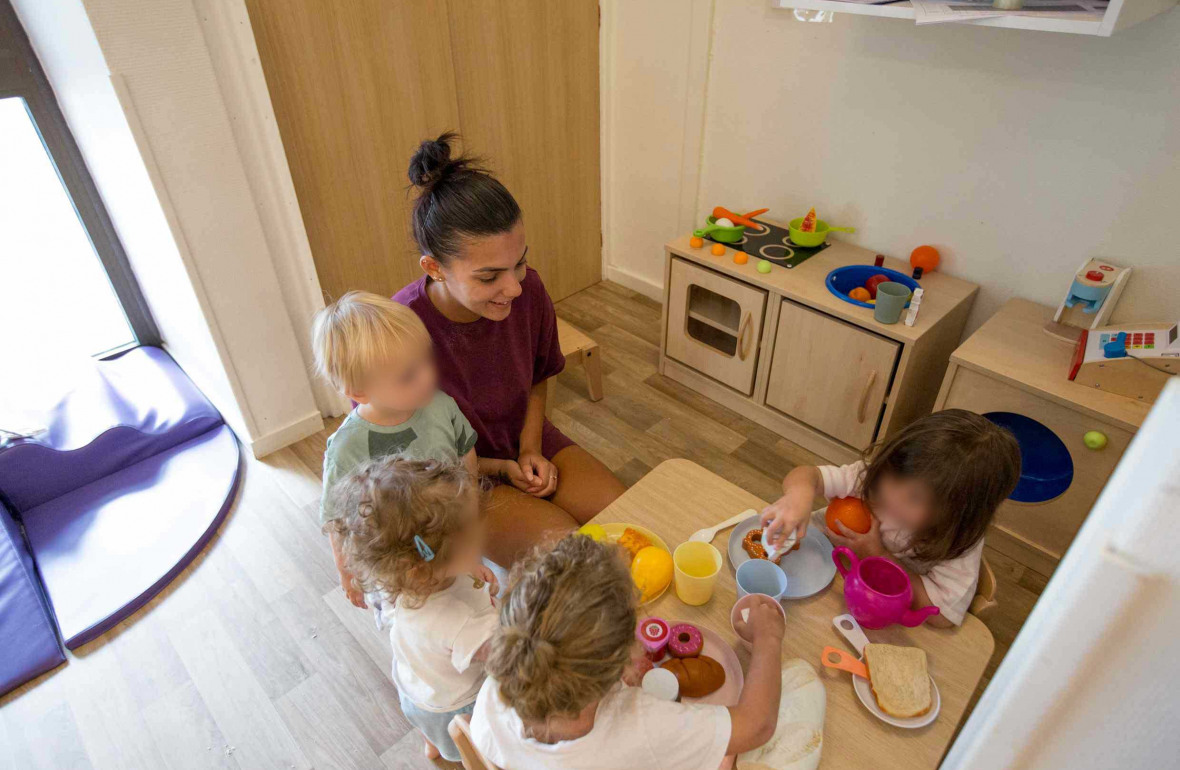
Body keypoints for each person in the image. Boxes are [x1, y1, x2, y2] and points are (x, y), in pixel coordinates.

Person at [393, 132, 625, 565]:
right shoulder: (397, 330)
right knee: (573, 559)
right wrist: (498, 469)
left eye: (519, 262)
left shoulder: (527, 289)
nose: (514, 287)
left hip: (523, 439)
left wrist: (530, 447)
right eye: (489, 277)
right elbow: (403, 457)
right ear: (434, 268)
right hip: (459, 478)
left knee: (631, 524)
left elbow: (539, 374)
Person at [470, 535, 785, 769]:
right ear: (625, 661)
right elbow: (757, 726)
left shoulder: (494, 695)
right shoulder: (642, 725)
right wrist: (768, 640)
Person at [760, 409, 1021, 627]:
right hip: (811, 568)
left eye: (915, 498)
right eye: (893, 479)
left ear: (958, 515)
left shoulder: (959, 543)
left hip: (865, 612)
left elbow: (942, 615)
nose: (892, 497)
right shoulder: (869, 478)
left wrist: (878, 555)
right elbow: (808, 475)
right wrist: (799, 495)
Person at [311, 291, 479, 609]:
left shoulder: (441, 406)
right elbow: (337, 520)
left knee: (463, 612)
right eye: (408, 375)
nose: (429, 375)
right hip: (397, 571)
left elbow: (465, 452)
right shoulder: (348, 447)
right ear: (359, 392)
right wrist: (346, 572)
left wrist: (469, 514)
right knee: (413, 634)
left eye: (426, 360)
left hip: (449, 546)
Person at [325, 456, 499, 762]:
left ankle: (432, 747)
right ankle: (467, 754)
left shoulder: (401, 586)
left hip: (414, 692)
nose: (481, 537)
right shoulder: (459, 622)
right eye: (471, 538)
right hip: (460, 707)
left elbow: (439, 575)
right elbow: (504, 655)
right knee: (481, 743)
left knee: (433, 733)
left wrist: (465, 565)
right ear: (424, 567)